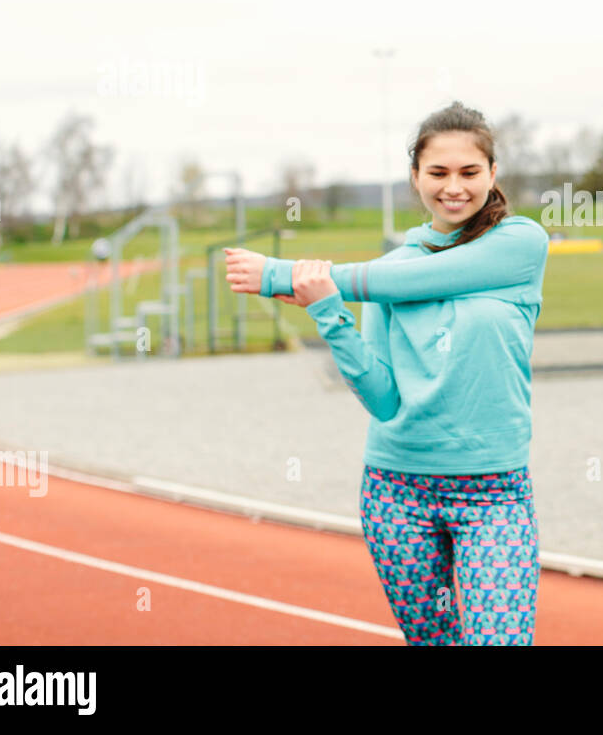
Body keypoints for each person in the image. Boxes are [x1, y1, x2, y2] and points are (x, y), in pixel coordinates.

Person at [224, 100, 550, 645]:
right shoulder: (388, 272)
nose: (454, 187)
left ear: (493, 174)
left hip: (494, 492)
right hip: (397, 490)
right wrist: (327, 311)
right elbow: (383, 400)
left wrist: (282, 274)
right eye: (438, 172)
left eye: (470, 172)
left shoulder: (519, 245)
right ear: (415, 178)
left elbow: (421, 280)